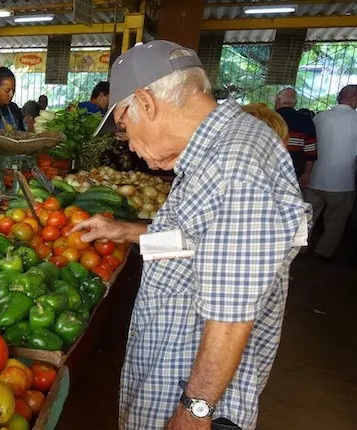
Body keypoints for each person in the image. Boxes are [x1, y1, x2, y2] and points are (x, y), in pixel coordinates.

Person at [72, 41, 308, 430]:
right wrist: (127, 230)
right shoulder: (216, 153)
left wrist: (194, 412)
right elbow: (198, 244)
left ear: (145, 102)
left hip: (191, 399)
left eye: (123, 125)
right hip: (171, 376)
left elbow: (231, 317)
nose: (128, 142)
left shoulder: (235, 168)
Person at [305, 85, 357, 260]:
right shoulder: (355, 119)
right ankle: (323, 253)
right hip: (342, 181)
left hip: (314, 177)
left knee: (308, 218)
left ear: (338, 97)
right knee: (336, 220)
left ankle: (301, 248)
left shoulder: (320, 117)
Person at [275, 88, 317, 187]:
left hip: (269, 169)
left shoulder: (267, 118)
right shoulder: (305, 120)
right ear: (294, 103)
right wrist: (307, 173)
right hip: (295, 170)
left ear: (277, 100)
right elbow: (310, 151)